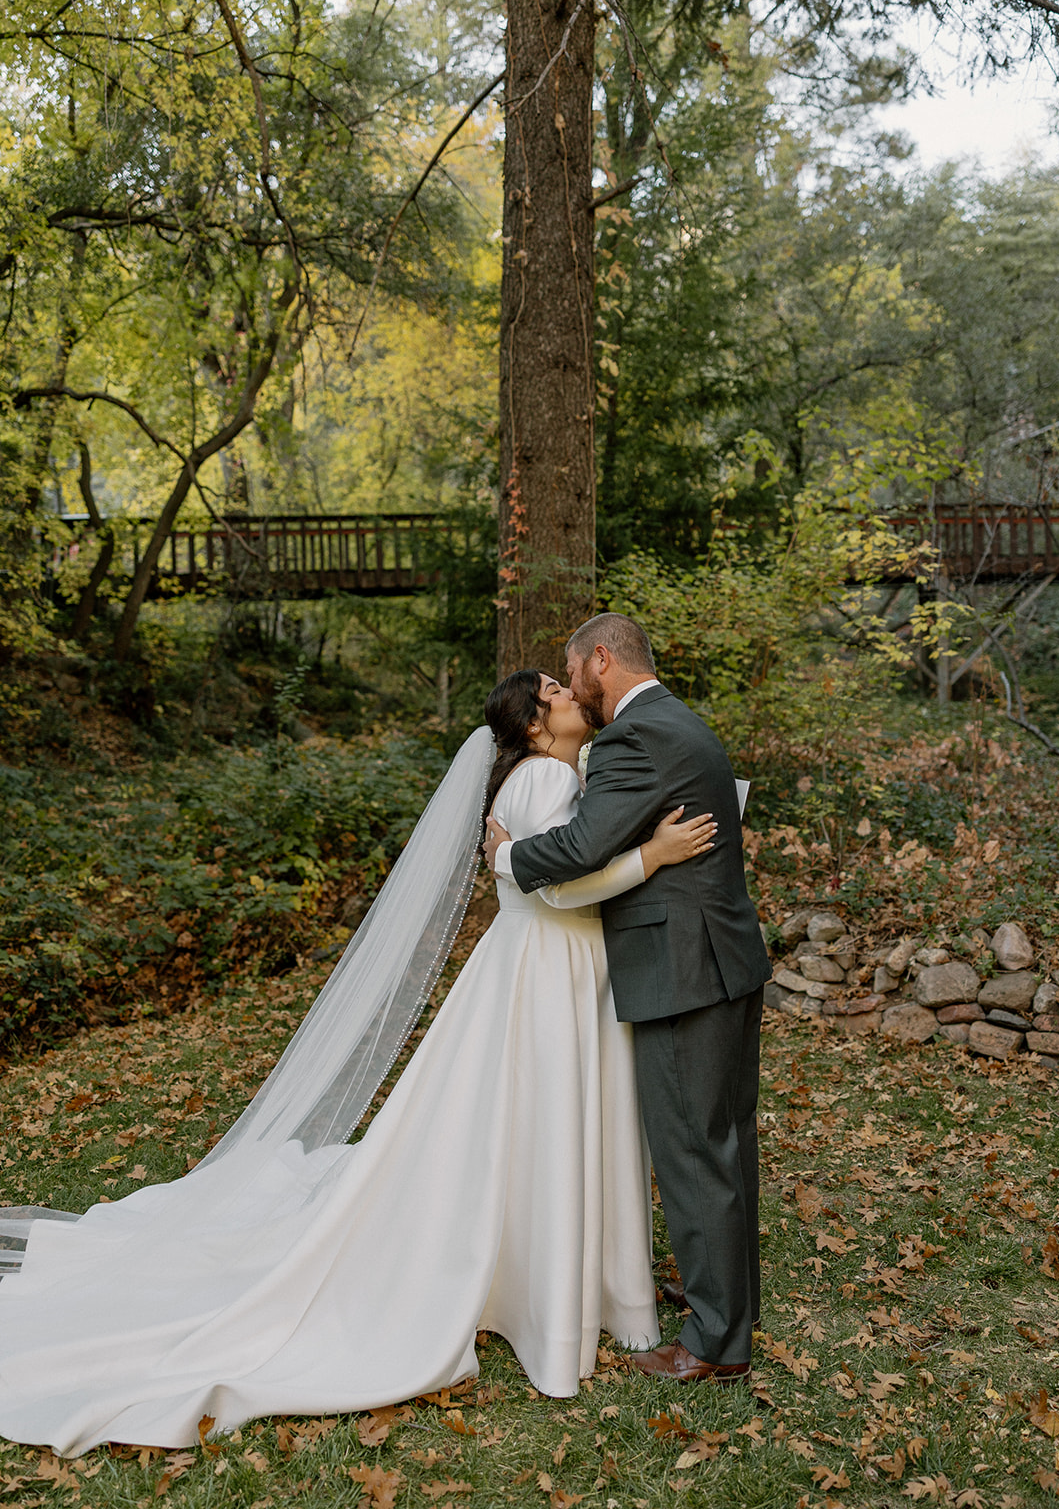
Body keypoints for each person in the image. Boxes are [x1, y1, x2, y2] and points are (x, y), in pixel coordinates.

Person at [0, 669, 714, 1458]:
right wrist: (651, 855)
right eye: (553, 688)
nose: (571, 688)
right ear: (538, 725)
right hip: (548, 969)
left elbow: (540, 866)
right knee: (543, 1121)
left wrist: (523, 857)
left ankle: (551, 1277)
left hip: (546, 968)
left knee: (525, 1126)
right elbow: (561, 891)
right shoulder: (546, 773)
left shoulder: (551, 770)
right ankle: (551, 1291)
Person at [485, 615, 770, 1386]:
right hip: (724, 959)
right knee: (724, 1145)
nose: (569, 684)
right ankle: (725, 1302)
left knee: (691, 1149)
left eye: (570, 671)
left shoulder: (630, 738)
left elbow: (578, 850)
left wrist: (507, 854)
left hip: (684, 968)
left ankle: (714, 1342)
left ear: (600, 662)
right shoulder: (679, 719)